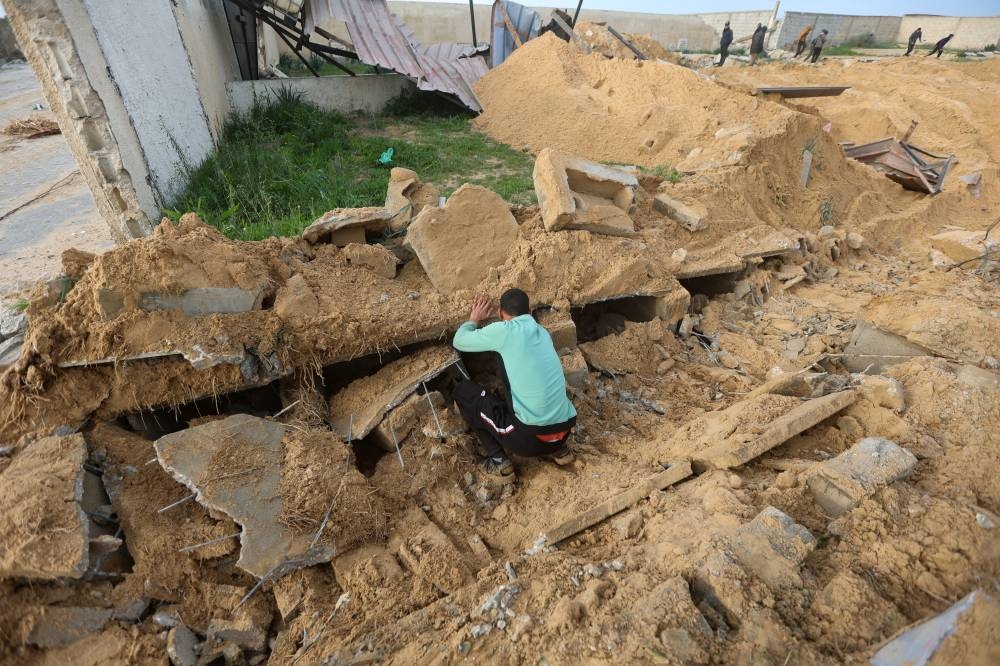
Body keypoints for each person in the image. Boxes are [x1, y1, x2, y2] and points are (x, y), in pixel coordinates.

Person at [452, 290, 577, 480]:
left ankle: (499, 462)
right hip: (565, 430)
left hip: (529, 440)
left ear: (501, 314)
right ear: (530, 311)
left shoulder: (505, 331)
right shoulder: (543, 333)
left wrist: (474, 319)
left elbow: (459, 341)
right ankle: (559, 450)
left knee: (464, 392)